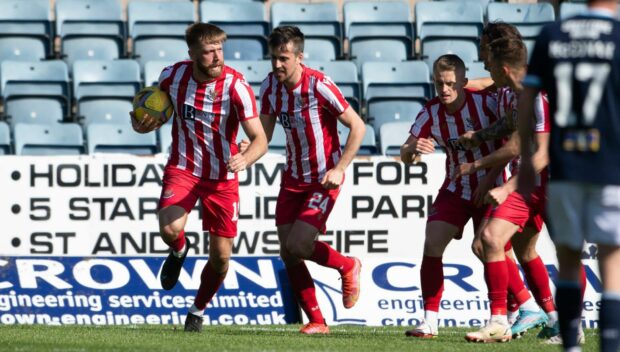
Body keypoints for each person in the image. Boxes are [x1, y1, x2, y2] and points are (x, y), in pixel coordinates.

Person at [130, 23, 268, 332]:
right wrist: (143, 123)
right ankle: (179, 249)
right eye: (209, 51)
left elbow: (260, 139)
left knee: (220, 258)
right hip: (184, 168)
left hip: (222, 178)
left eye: (220, 49)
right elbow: (153, 106)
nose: (217, 56)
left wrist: (245, 157)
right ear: (192, 53)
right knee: (169, 228)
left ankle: (198, 309)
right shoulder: (172, 76)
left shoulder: (237, 86)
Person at [518, 0, 620, 351]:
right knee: (611, 263)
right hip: (610, 166)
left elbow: (526, 96)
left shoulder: (552, 34)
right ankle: (609, 346)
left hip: (565, 167)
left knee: (568, 260)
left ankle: (571, 347)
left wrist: (525, 166)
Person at [258, 26, 365, 335]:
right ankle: (317, 321)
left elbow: (357, 126)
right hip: (292, 178)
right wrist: (246, 148)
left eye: (284, 58)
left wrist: (340, 168)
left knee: (300, 244)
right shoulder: (269, 86)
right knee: (288, 252)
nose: (277, 65)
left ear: (299, 57)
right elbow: (262, 136)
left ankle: (347, 265)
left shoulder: (319, 85)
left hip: (323, 178)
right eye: (273, 58)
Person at [400, 54, 502, 339]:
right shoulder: (430, 112)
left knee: (487, 248)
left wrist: (491, 182)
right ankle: (429, 320)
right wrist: (413, 150)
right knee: (432, 241)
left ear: (463, 82)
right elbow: (405, 154)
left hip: (493, 185)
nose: (444, 90)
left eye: (449, 84)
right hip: (457, 187)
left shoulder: (485, 104)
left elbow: (509, 147)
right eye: (439, 84)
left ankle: (510, 312)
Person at [461, 37, 555, 343]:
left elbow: (542, 152)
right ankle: (502, 318)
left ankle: (564, 321)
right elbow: (509, 126)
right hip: (529, 184)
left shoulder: (538, 93)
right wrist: (480, 135)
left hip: (557, 183)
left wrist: (499, 183)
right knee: (491, 239)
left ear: (502, 67)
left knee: (562, 253)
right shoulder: (513, 93)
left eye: (488, 61)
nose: (485, 67)